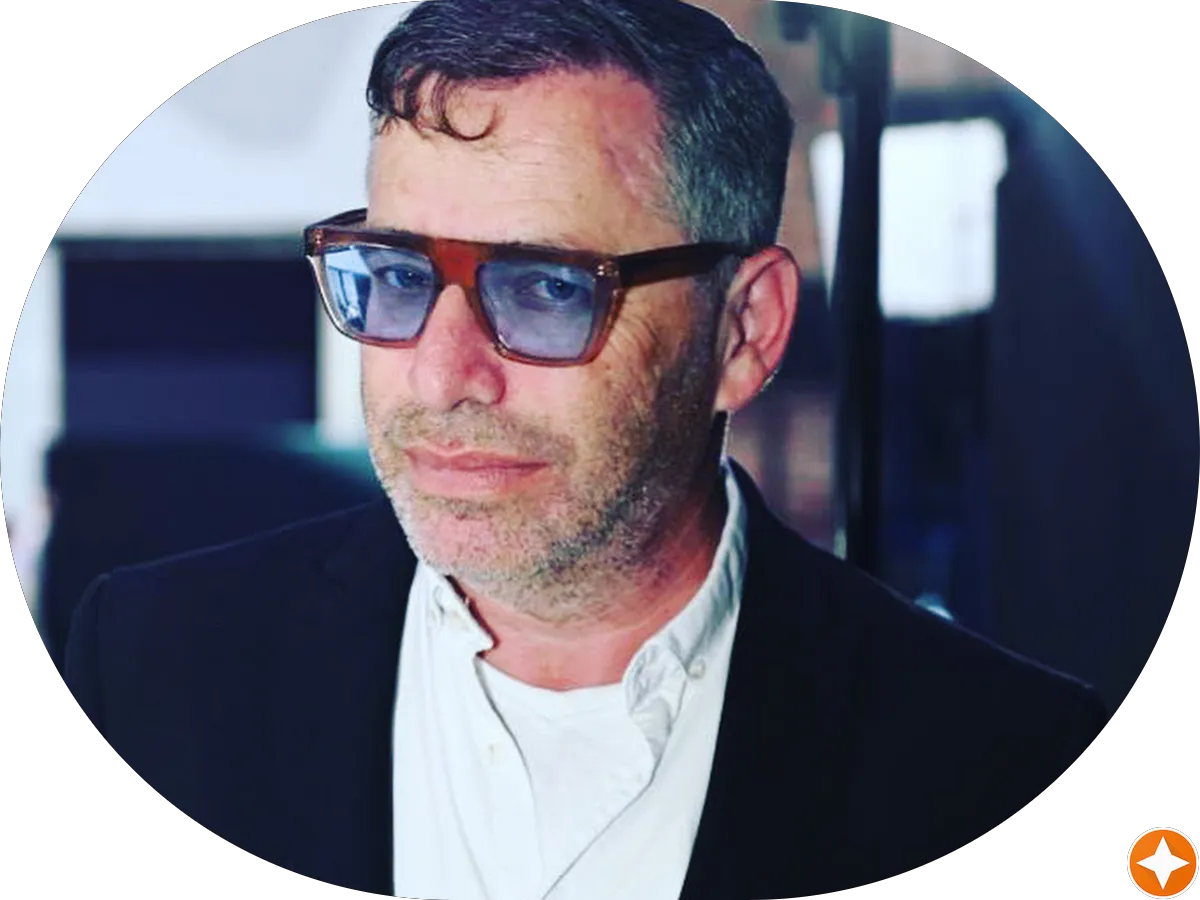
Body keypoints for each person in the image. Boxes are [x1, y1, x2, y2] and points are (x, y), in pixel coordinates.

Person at [62, 1, 1107, 898]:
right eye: (398, 275)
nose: (443, 375)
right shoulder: (150, 670)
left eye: (547, 288)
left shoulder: (998, 758)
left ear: (743, 331)